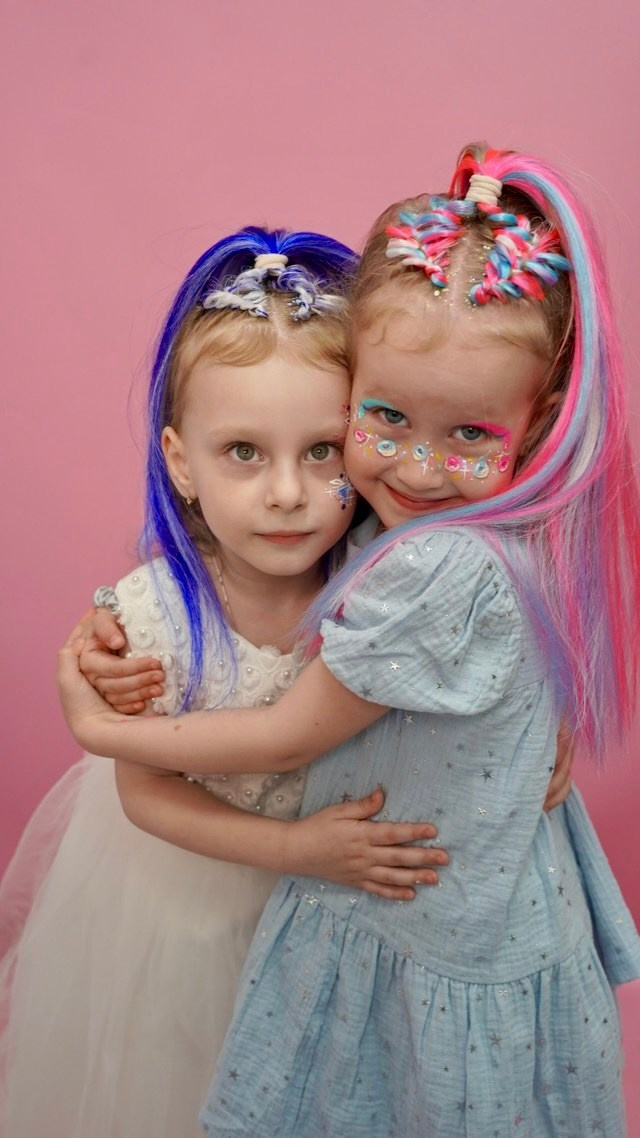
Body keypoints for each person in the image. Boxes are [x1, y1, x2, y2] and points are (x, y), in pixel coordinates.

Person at [60, 144, 640, 1137]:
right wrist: (101, 637)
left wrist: (95, 726)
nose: (416, 466)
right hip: (242, 915)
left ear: (535, 421)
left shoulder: (418, 552)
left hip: (387, 917)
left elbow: (320, 727)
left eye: (323, 449)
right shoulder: (367, 534)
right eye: (385, 421)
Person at [0, 226, 452, 1138]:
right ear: (181, 461)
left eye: (322, 451)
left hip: (334, 915)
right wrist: (296, 850)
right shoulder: (154, 623)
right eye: (244, 451)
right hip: (186, 918)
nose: (286, 492)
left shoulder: (387, 586)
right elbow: (144, 794)